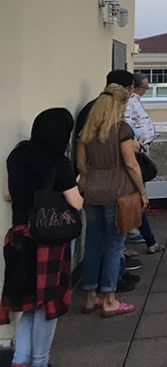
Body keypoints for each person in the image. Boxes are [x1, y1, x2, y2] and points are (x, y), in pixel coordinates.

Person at [2, 109, 82, 367]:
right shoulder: (58, 163)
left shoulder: (17, 155)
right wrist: (76, 182)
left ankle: (19, 360)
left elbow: (7, 193)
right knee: (48, 307)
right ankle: (40, 362)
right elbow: (76, 204)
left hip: (18, 237)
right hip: (48, 241)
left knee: (29, 304)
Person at [76, 84, 148, 318]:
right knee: (113, 246)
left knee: (93, 244)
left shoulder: (87, 131)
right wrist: (142, 192)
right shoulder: (121, 130)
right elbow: (131, 164)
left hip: (92, 192)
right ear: (120, 105)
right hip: (116, 194)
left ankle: (90, 297)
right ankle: (109, 298)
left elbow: (81, 166)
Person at [123, 72, 165, 254]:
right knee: (137, 196)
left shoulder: (132, 100)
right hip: (134, 149)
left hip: (138, 146)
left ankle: (140, 233)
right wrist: (136, 143)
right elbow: (127, 125)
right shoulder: (128, 102)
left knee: (136, 196)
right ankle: (144, 237)